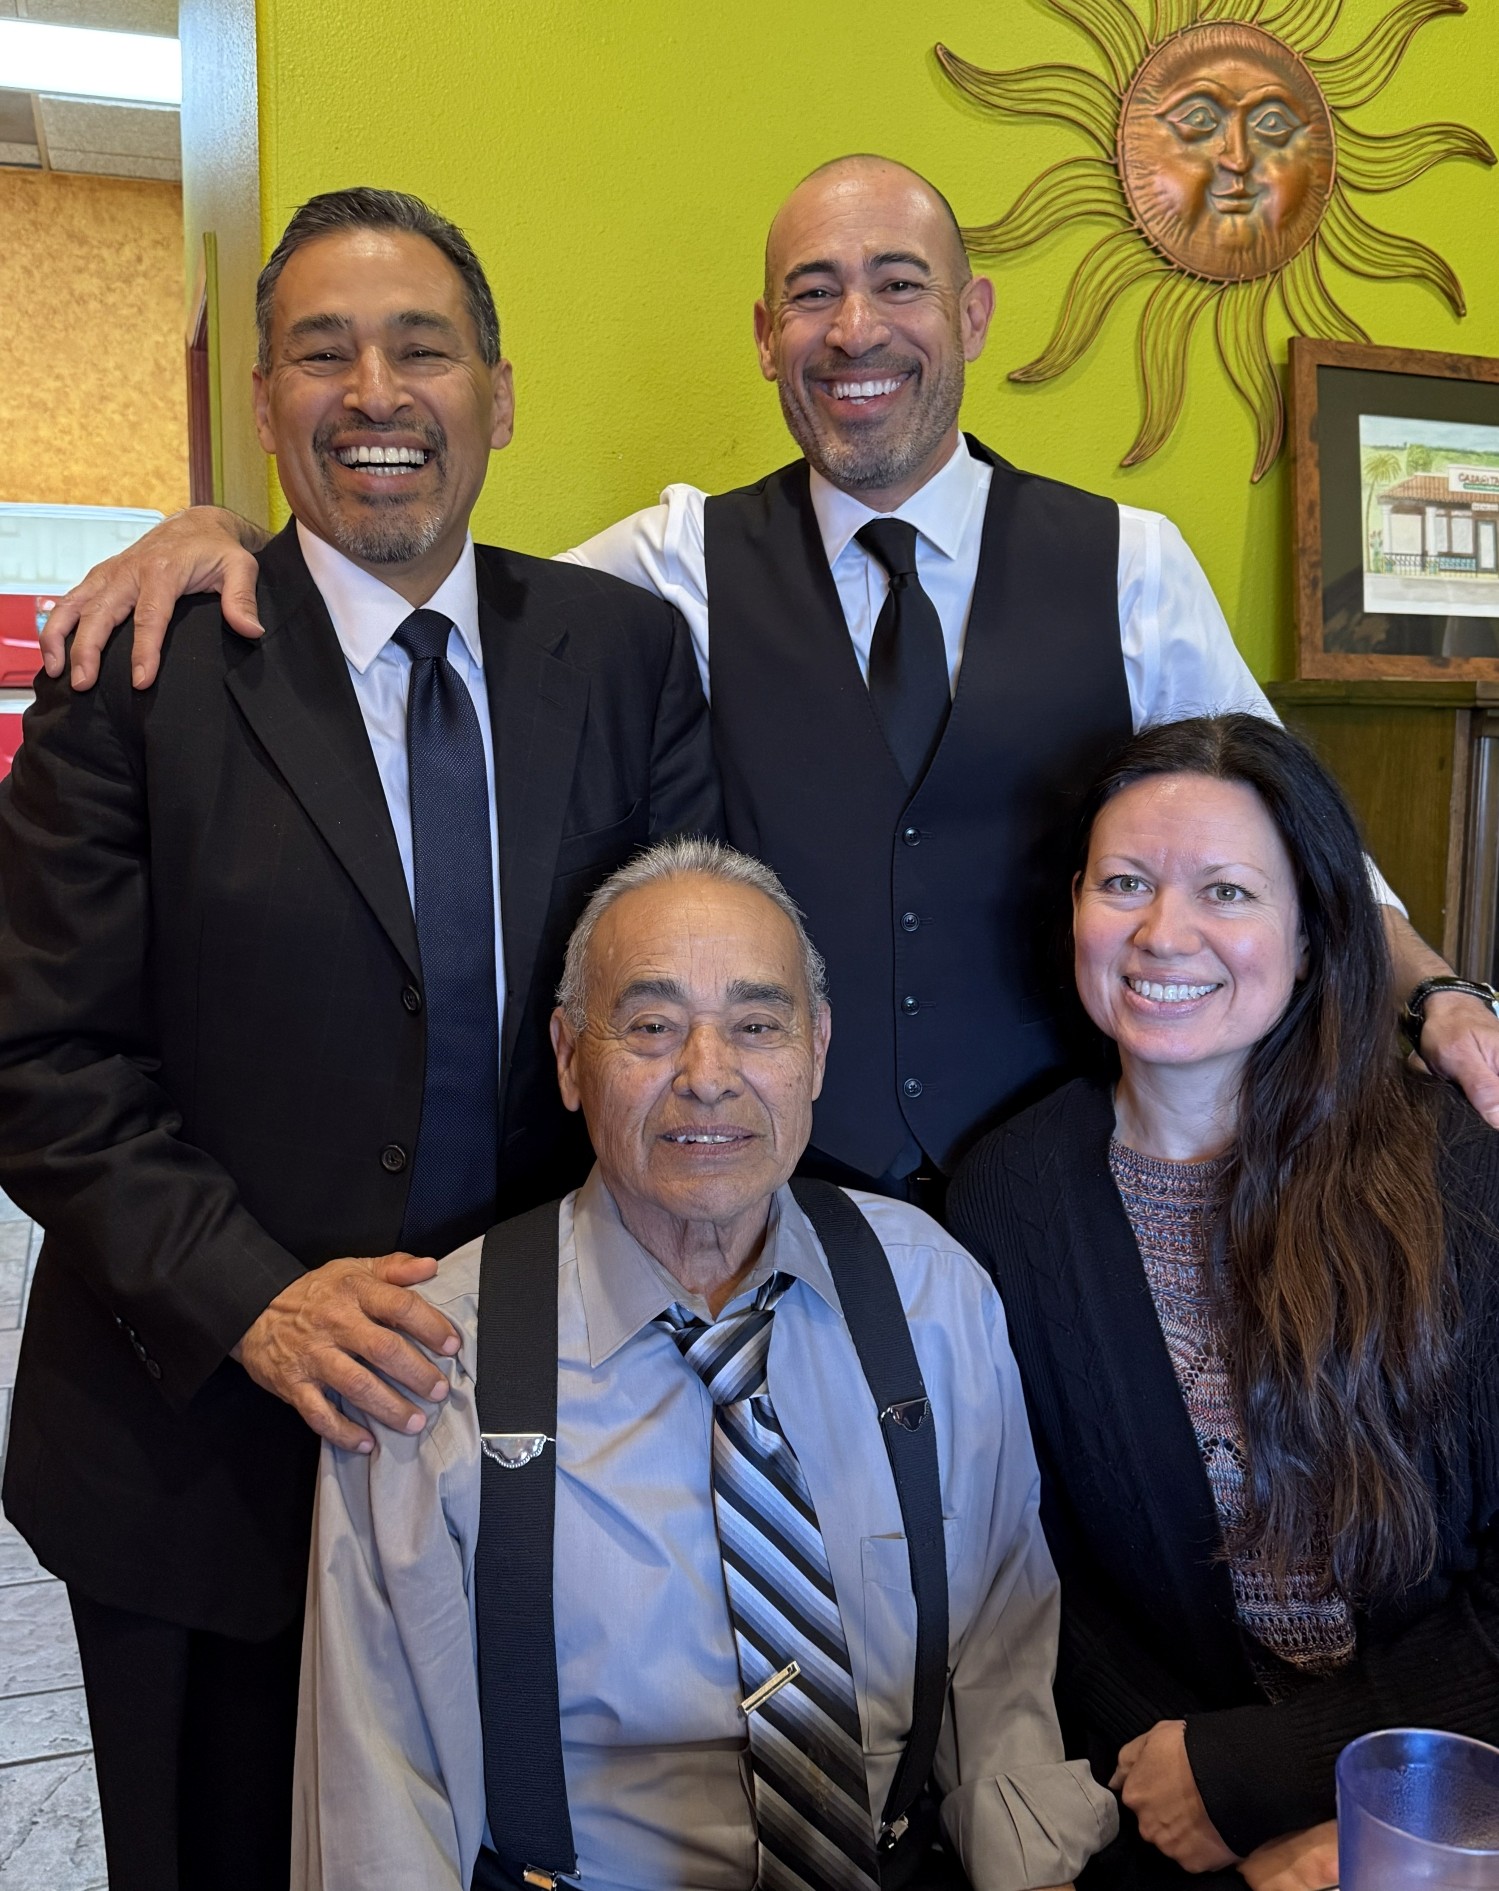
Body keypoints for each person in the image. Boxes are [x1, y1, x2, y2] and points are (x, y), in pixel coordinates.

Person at [40, 156, 1499, 1192]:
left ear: (970, 317)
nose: (853, 328)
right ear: (763, 338)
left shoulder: (1129, 560)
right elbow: (421, 564)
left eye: (896, 284)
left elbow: (1293, 843)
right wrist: (224, 532)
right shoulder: (671, 561)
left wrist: (1434, 996)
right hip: (784, 1207)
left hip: (1063, 1188)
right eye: (810, 293)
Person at [0, 188, 718, 1891]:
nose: (374, 393)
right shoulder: (137, 662)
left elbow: (673, 995)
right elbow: (40, 1056)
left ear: (498, 394)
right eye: (321, 353)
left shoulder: (621, 653)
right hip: (198, 1454)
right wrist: (253, 1297)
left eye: (422, 349)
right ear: (262, 402)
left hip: (548, 1430)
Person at [293, 835, 1119, 1891]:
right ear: (568, 1057)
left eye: (756, 1025)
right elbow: (378, 1803)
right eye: (651, 1026)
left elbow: (997, 1671)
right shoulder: (429, 1360)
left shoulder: (931, 1297)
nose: (708, 1075)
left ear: (816, 1049)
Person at [946, 714, 1499, 1891]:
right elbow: (1034, 1565)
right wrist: (1196, 1786)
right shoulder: (1007, 1197)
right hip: (1165, 1808)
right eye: (1123, 883)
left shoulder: (1461, 1176)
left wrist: (1291, 1784)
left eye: (1226, 892)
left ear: (1308, 938)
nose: (1162, 932)